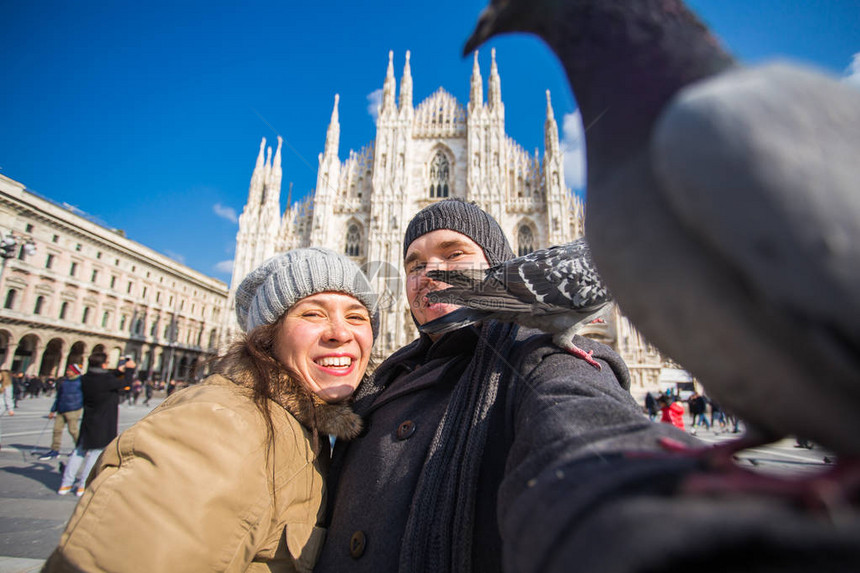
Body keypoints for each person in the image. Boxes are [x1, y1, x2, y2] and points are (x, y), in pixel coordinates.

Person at [316, 199, 699, 572]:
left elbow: (578, 413)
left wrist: (639, 491)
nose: (431, 272)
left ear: (495, 264)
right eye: (414, 264)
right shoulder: (379, 381)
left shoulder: (538, 355)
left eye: (453, 255)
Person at [44, 247, 378, 573]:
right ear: (266, 335)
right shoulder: (217, 427)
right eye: (312, 313)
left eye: (356, 316)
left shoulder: (302, 423)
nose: (340, 332)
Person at [57, 352, 135, 495]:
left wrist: (119, 370)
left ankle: (65, 484)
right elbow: (126, 384)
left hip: (89, 419)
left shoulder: (85, 378)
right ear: (104, 364)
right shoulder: (106, 380)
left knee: (79, 452)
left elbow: (109, 377)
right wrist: (129, 370)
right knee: (95, 454)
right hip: (103, 421)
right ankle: (83, 485)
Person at [39, 363, 84, 461]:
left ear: (75, 372)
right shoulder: (65, 382)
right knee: (57, 430)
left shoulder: (81, 382)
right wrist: (53, 410)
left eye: (69, 370)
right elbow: (59, 397)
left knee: (73, 430)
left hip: (74, 409)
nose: (67, 372)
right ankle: (55, 450)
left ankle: (80, 448)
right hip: (61, 409)